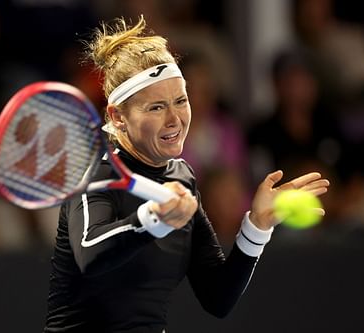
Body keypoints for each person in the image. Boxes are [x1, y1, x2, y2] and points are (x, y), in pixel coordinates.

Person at [44, 17, 330, 332]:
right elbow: (90, 252)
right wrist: (153, 219)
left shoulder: (181, 178)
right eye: (155, 107)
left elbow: (218, 297)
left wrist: (257, 227)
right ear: (118, 117)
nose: (175, 119)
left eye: (180, 101)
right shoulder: (97, 174)